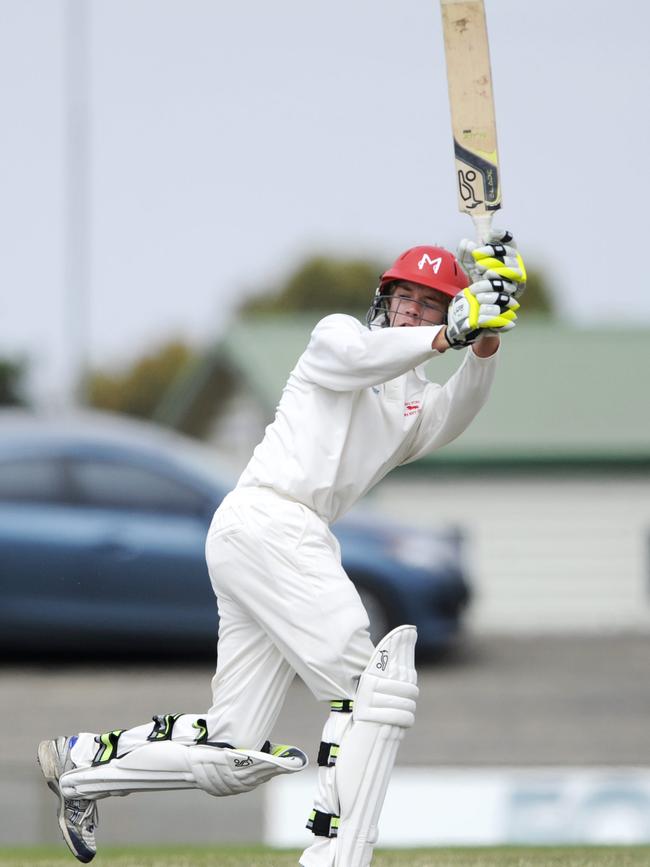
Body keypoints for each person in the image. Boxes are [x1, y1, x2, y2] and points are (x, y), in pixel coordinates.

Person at [37, 230, 527, 866]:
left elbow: (464, 397)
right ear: (385, 299)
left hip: (275, 536)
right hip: (270, 518)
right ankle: (334, 856)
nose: (412, 308)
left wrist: (490, 329)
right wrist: (454, 328)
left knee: (231, 749)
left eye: (430, 302)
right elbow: (368, 355)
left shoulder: (416, 406)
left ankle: (82, 767)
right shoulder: (337, 337)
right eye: (404, 295)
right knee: (369, 688)